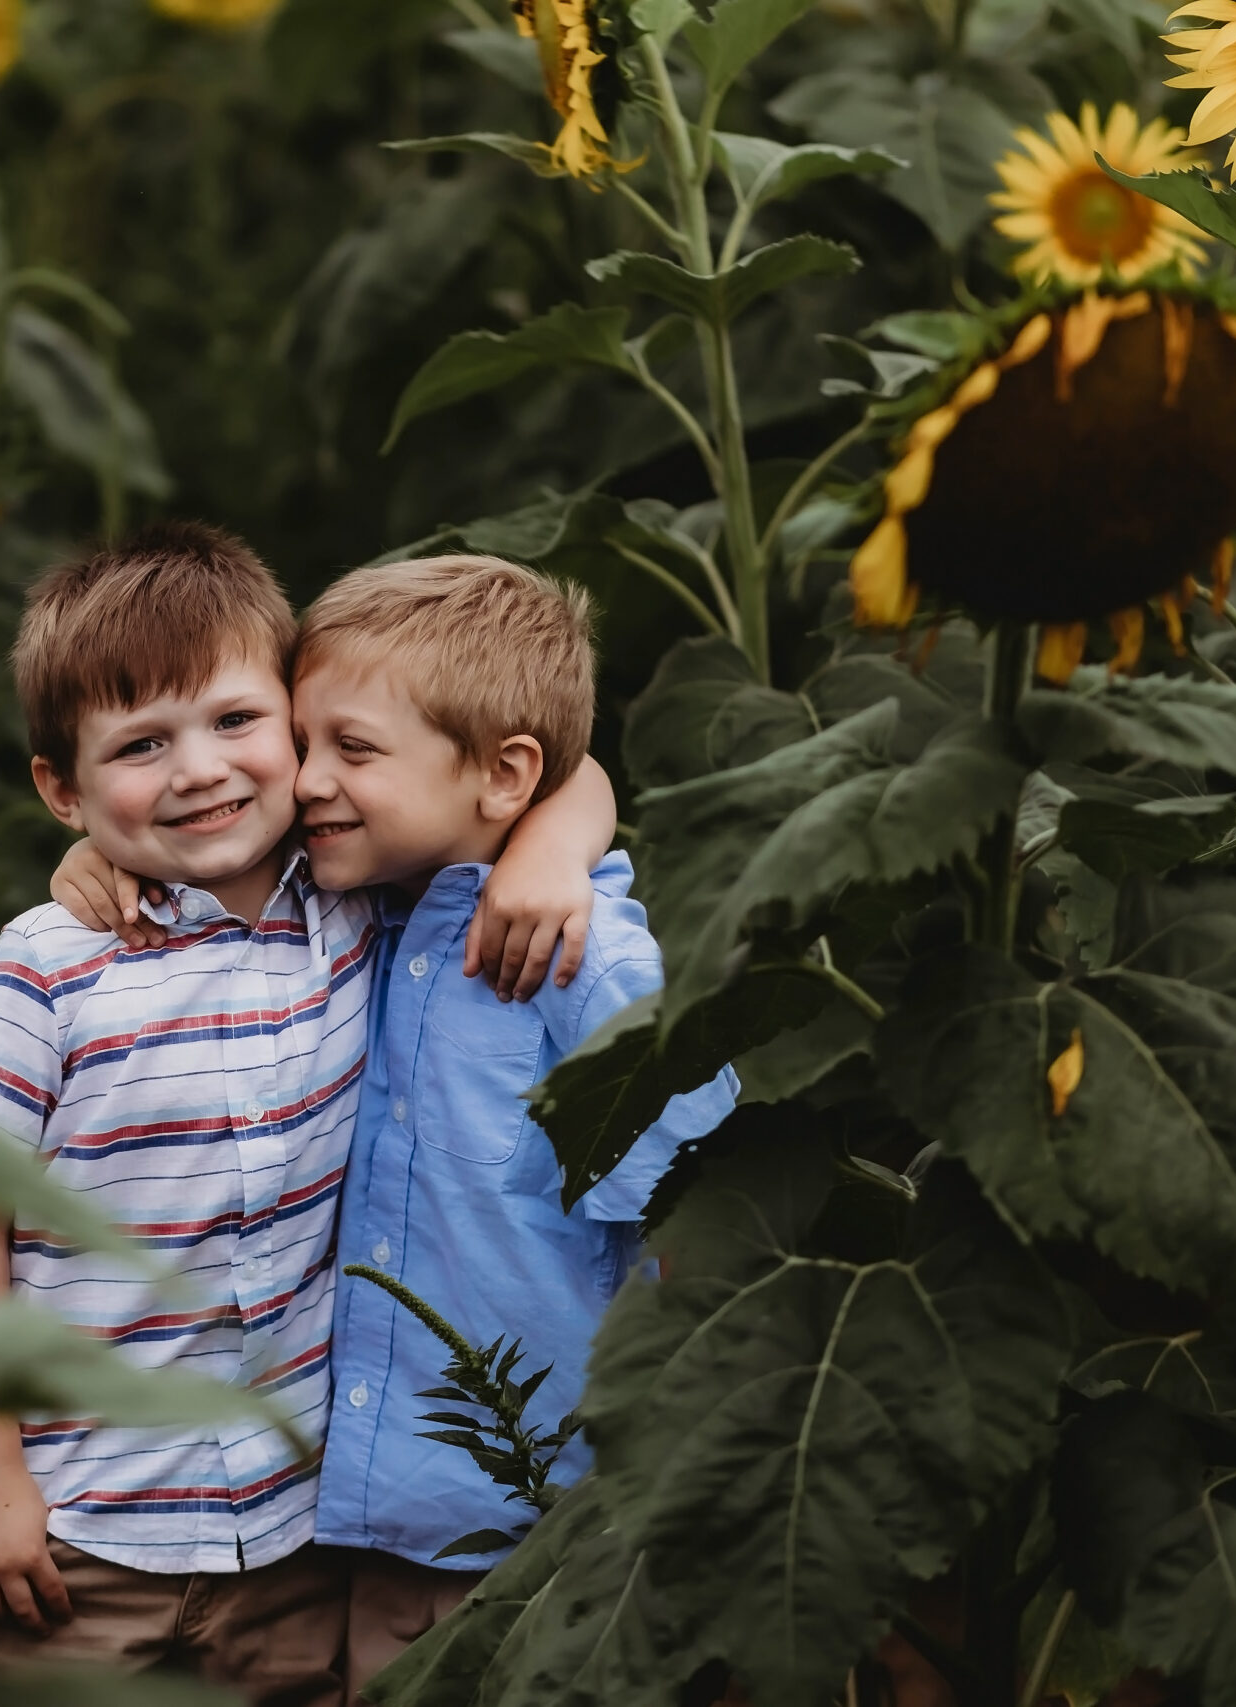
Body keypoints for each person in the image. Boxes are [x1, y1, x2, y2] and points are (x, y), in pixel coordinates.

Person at [0, 524, 618, 1705]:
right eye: (141, 745)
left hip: (296, 1535)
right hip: (83, 1528)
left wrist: (552, 842)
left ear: (296, 729)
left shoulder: (352, 905)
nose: (198, 770)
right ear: (58, 787)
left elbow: (550, 765)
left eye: (237, 724)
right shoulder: (51, 965)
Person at [287, 556, 737, 1696]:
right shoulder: (355, 906)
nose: (302, 782)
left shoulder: (584, 965)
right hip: (376, 1519)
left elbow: (698, 1219)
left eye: (349, 749)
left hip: (542, 1517)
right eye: (299, 745)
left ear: (501, 776)